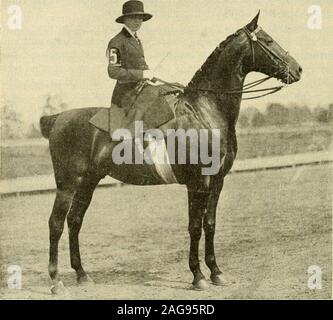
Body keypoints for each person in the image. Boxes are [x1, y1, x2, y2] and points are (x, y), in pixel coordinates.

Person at [107, 0, 154, 108]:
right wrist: (142, 75)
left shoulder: (136, 39)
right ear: (125, 19)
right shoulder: (117, 41)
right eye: (133, 17)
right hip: (125, 94)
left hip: (140, 89)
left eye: (140, 18)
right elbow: (113, 71)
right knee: (141, 120)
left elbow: (138, 64)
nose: (137, 21)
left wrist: (150, 73)